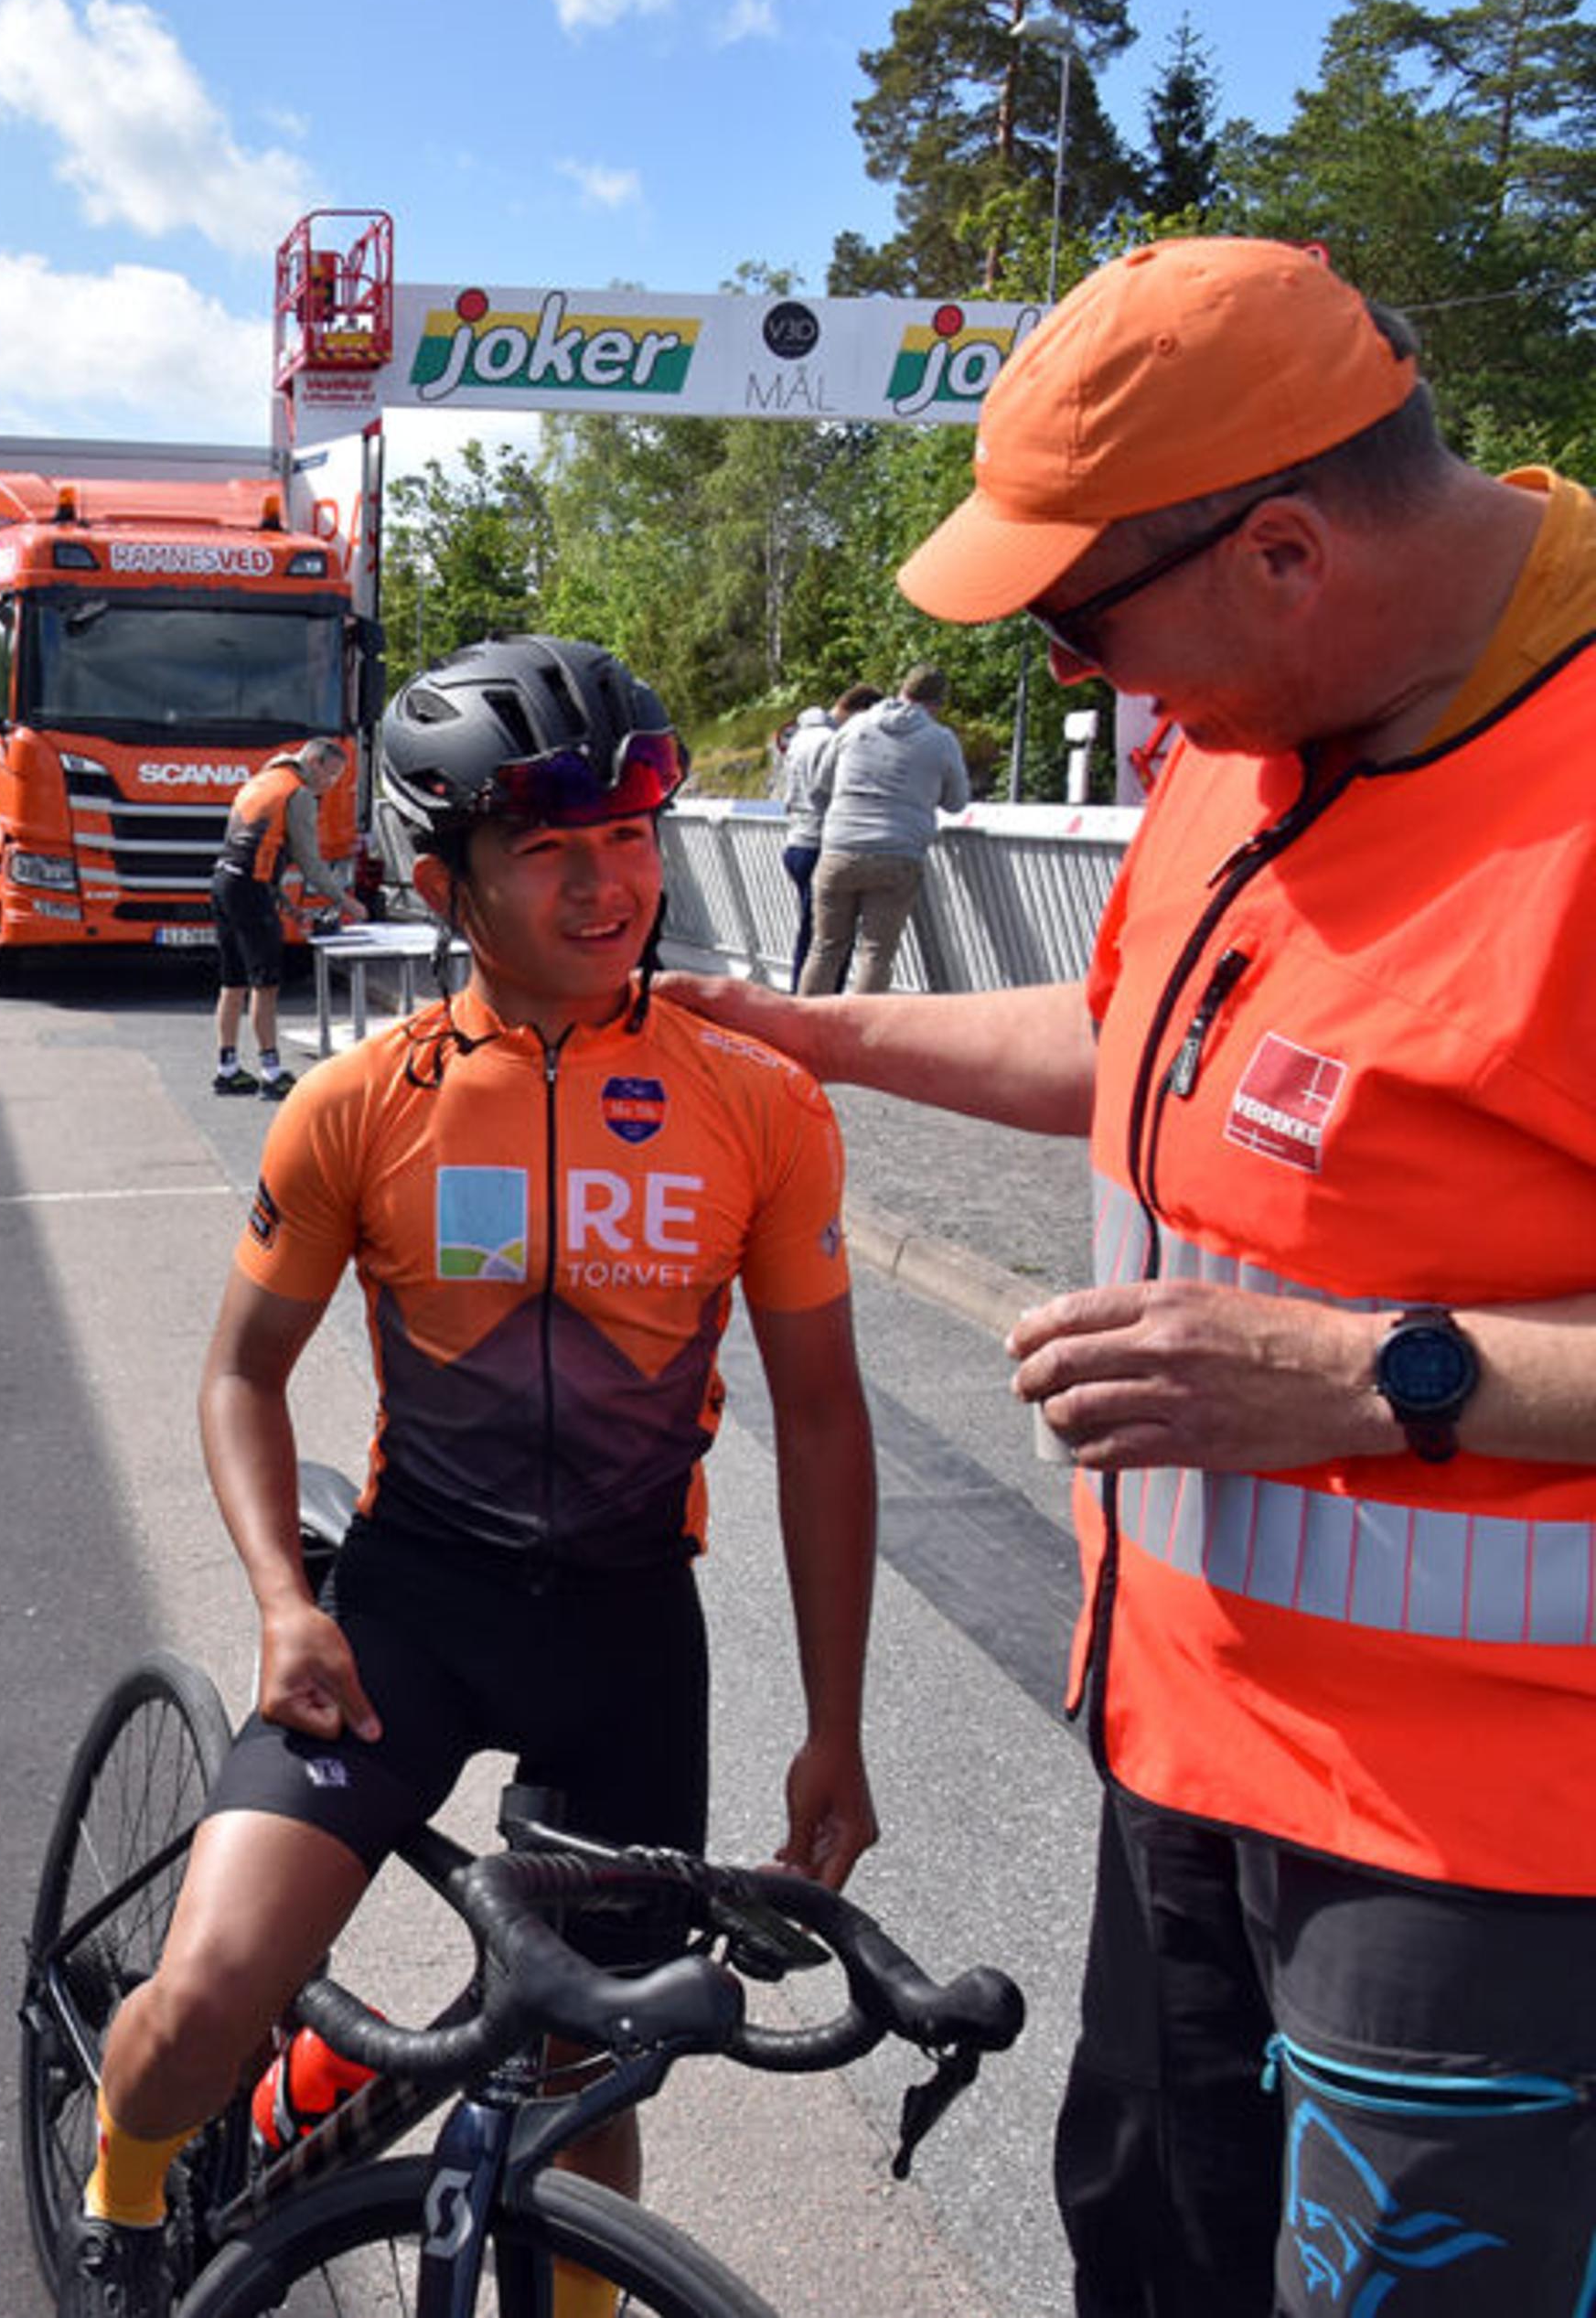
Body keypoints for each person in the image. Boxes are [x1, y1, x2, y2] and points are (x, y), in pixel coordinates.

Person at [661, 235, 1596, 2314]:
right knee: (1150, 2249)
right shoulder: (1249, 735)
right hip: (1181, 1742)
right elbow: (1136, 1035)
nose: (1082, 680)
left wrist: (1364, 1374)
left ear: (1283, 551)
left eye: (1083, 622)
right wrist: (816, 1032)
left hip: (1486, 1849)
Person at [65, 637, 880, 2318]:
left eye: (631, 837)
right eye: (552, 850)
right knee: (208, 1997)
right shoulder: (360, 1104)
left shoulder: (760, 1103)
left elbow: (821, 1419)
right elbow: (241, 1374)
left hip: (627, 1637)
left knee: (591, 2084)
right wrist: (282, 1605)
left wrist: (835, 1724)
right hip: (408, 1614)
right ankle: (122, 2196)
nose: (609, 885)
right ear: (444, 882)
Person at [798, 664, 971, 995]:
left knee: (825, 948)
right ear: (938, 703)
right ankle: (862, 1028)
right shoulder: (941, 740)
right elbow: (957, 802)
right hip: (897, 854)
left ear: (902, 690)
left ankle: (803, 1021)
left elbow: (820, 781)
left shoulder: (857, 725)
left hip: (840, 848)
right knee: (876, 955)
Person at [207, 735, 363, 1097]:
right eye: (332, 774)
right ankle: (272, 1072)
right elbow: (311, 862)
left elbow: (249, 847)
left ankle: (227, 1069)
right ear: (315, 762)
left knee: (233, 982)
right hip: (250, 889)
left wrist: (286, 905)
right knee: (266, 984)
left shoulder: (262, 781)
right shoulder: (299, 794)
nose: (331, 784)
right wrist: (347, 902)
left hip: (224, 882)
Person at [775, 685, 876, 990]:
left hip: (798, 841)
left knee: (814, 933)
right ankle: (812, 1002)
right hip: (819, 844)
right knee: (828, 939)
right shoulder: (829, 741)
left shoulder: (801, 736)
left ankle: (803, 998)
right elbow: (831, 789)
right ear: (861, 711)